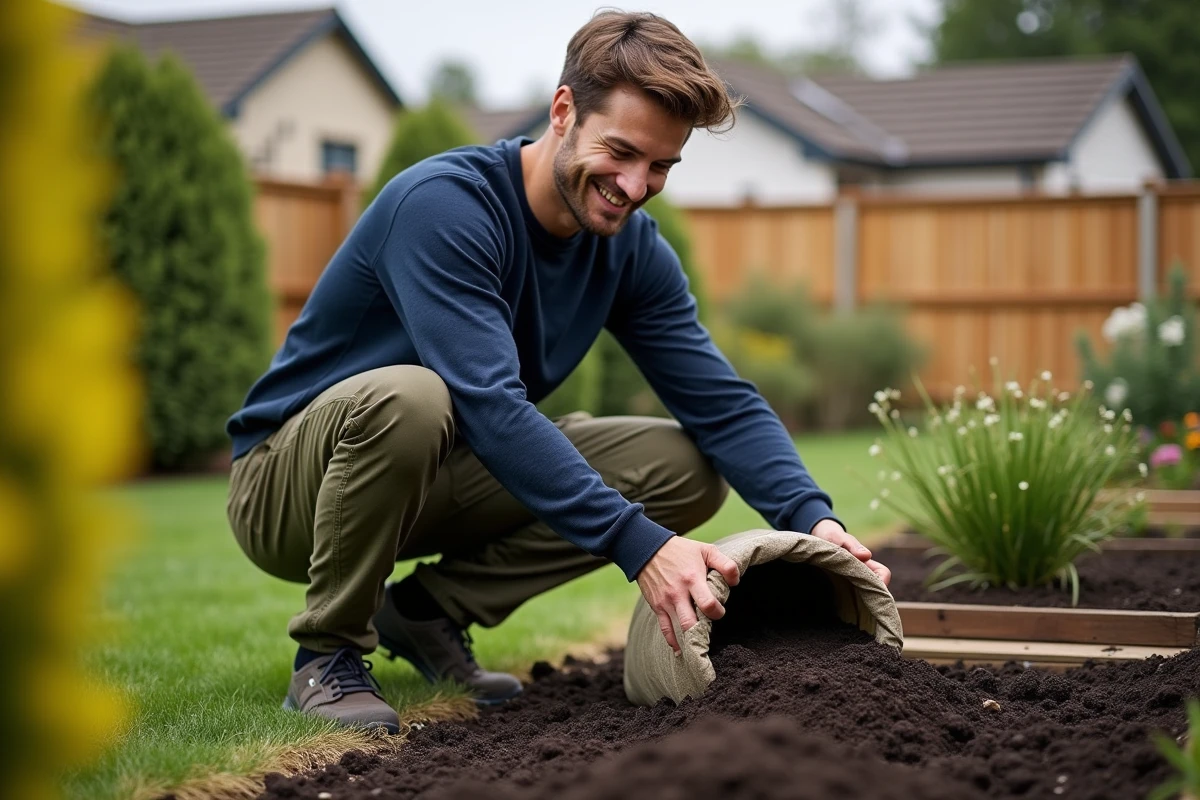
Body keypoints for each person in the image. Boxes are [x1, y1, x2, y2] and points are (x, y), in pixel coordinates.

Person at [225, 10, 892, 735]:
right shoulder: (445, 207)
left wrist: (814, 520)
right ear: (564, 110)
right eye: (623, 152)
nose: (636, 186)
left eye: (661, 167)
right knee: (414, 395)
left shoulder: (630, 250)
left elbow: (721, 403)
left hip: (439, 467)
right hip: (291, 486)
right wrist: (644, 549)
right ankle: (327, 656)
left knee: (684, 467)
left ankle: (424, 611)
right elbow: (491, 404)